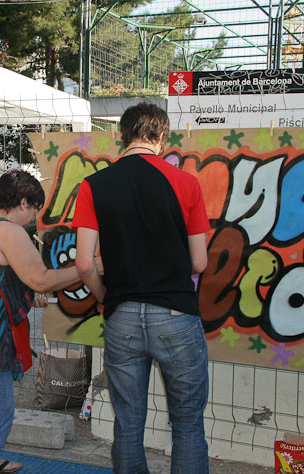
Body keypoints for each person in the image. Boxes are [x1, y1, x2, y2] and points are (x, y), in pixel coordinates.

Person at [73, 102, 210, 474]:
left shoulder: (94, 185)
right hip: (176, 314)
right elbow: (199, 262)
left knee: (128, 424)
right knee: (187, 424)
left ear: (123, 136)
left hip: (122, 315)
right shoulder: (187, 183)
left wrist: (105, 297)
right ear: (161, 137)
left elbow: (84, 263)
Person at [0, 169, 84, 474]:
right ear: (23, 202)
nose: (33, 218)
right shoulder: (9, 231)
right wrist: (87, 268)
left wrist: (28, 291)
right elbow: (40, 279)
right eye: (34, 210)